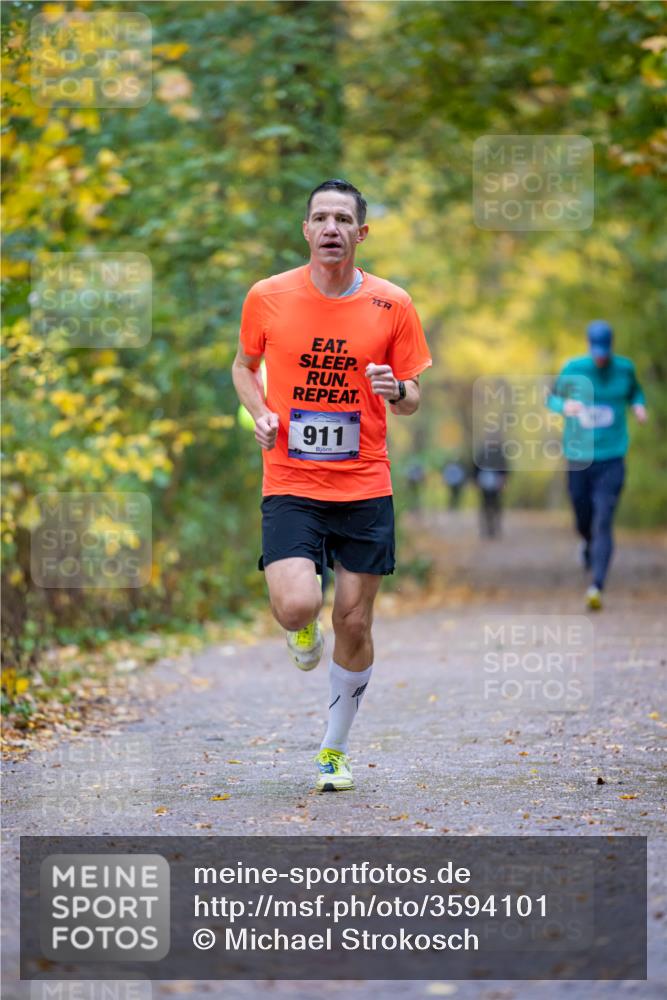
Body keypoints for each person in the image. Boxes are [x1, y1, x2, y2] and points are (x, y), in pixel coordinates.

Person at [232, 179, 432, 792]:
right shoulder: (268, 296)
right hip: (291, 479)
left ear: (360, 233)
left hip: (365, 483)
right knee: (298, 605)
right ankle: (301, 626)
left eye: (343, 219)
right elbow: (243, 367)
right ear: (306, 230)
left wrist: (396, 389)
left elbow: (413, 397)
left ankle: (333, 750)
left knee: (354, 621)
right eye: (321, 217)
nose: (331, 228)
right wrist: (261, 413)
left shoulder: (393, 304)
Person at [547, 320, 647, 610]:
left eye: (605, 352)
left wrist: (638, 405)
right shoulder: (574, 369)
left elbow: (635, 392)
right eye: (596, 352)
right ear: (590, 346)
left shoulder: (624, 369)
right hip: (579, 457)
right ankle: (586, 542)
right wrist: (563, 406)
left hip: (612, 457)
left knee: (604, 518)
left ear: (611, 347)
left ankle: (597, 585)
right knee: (583, 517)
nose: (601, 358)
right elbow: (551, 398)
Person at [473, 439, 508, 539]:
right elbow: (475, 468)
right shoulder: (482, 454)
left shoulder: (499, 454)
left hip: (495, 484)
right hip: (485, 484)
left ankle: (494, 527)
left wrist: (503, 481)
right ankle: (487, 527)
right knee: (486, 505)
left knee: (495, 505)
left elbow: (505, 469)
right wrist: (476, 480)